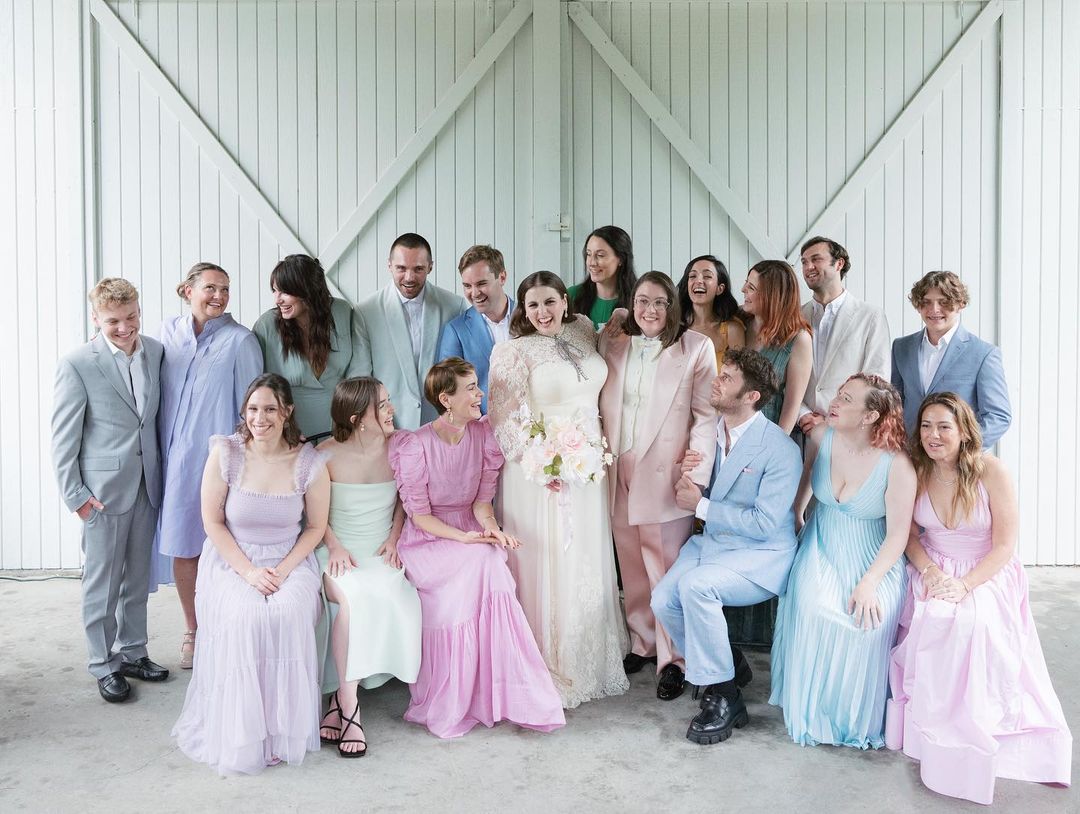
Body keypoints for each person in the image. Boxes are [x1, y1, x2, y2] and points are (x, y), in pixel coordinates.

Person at [885, 393, 1071, 805]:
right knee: (931, 617)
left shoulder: (991, 471)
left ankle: (978, 720)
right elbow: (911, 537)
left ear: (964, 430)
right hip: (932, 564)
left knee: (974, 622)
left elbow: (1005, 546)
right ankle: (932, 724)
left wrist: (966, 584)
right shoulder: (917, 469)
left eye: (944, 426)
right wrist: (932, 573)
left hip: (986, 569)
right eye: (927, 426)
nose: (933, 435)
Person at [388, 358, 565, 738]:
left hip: (468, 532)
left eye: (476, 386)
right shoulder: (415, 445)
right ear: (445, 399)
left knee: (491, 559)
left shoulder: (484, 437)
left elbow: (482, 506)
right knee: (480, 560)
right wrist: (466, 539)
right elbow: (419, 517)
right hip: (428, 541)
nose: (479, 393)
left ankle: (506, 692)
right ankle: (454, 698)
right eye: (470, 388)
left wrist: (492, 532)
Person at [173, 374, 330, 775]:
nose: (260, 418)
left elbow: (314, 528)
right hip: (232, 560)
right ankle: (246, 733)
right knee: (247, 617)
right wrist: (248, 572)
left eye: (270, 409)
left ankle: (280, 732)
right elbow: (212, 522)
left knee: (288, 612)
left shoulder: (308, 461)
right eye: (253, 409)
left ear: (287, 412)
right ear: (244, 411)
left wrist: (281, 570)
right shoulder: (226, 453)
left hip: (289, 559)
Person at [488, 271, 630, 708]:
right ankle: (546, 659)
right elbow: (503, 417)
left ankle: (587, 654)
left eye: (550, 302)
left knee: (585, 554)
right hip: (540, 473)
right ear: (523, 310)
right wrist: (540, 461)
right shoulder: (511, 351)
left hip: (588, 464)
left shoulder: (585, 329)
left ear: (564, 302)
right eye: (533, 305)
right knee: (549, 555)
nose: (543, 313)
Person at [651, 348, 801, 745]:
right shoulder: (708, 433)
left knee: (697, 587)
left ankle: (724, 695)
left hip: (761, 554)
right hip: (713, 544)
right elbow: (699, 486)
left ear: (752, 396)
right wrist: (689, 480)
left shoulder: (780, 448)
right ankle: (729, 661)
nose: (716, 382)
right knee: (663, 599)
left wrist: (699, 505)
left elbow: (764, 523)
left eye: (728, 378)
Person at [769, 374, 916, 748]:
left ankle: (852, 720)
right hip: (822, 542)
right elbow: (806, 476)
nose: (835, 401)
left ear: (869, 416)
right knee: (816, 608)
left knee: (867, 621)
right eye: (839, 394)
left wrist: (869, 583)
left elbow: (899, 535)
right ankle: (812, 712)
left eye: (847, 399)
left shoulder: (897, 465)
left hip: (873, 555)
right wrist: (798, 514)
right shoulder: (821, 437)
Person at [598, 271, 717, 700]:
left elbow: (706, 416)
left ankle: (675, 659)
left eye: (660, 302)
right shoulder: (612, 343)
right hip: (617, 467)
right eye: (642, 301)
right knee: (631, 565)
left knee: (665, 569)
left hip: (667, 471)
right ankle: (643, 642)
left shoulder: (696, 348)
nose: (650, 311)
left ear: (673, 306)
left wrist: (695, 476)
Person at [52, 278, 168, 703]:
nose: (125, 327)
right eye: (114, 321)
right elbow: (64, 438)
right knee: (101, 583)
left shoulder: (155, 352)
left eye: (132, 317)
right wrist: (77, 497)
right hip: (101, 492)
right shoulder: (78, 363)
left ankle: (133, 652)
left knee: (137, 578)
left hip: (146, 484)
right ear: (96, 318)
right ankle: (103, 664)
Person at [155, 262, 263, 669]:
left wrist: (248, 466)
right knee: (184, 547)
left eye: (225, 289)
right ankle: (192, 628)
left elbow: (252, 409)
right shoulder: (167, 335)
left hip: (221, 463)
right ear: (187, 290)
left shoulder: (241, 340)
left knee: (226, 547)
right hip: (176, 462)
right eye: (210, 288)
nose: (219, 296)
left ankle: (225, 629)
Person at [314, 377, 421, 757]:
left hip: (380, 550)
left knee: (393, 591)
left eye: (389, 400)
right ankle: (351, 708)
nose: (392, 409)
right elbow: (314, 516)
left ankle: (337, 705)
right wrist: (334, 546)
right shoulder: (325, 455)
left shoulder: (399, 447)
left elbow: (404, 502)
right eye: (384, 404)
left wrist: (394, 538)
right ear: (359, 418)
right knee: (354, 598)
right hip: (337, 551)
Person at [354, 233, 468, 429]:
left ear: (430, 266)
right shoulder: (365, 312)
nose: (409, 277)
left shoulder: (454, 306)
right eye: (401, 268)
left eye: (418, 269)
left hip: (442, 427)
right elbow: (361, 377)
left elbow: (462, 372)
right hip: (388, 427)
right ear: (389, 265)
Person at [891, 271, 1011, 447]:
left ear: (960, 304)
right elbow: (896, 405)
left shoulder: (983, 353)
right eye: (926, 302)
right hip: (910, 458)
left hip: (957, 464)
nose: (934, 310)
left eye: (944, 302)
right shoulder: (901, 347)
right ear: (918, 305)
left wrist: (961, 451)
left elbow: (998, 417)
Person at [252, 254, 365, 438]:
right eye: (274, 291)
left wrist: (353, 415)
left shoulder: (343, 312)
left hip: (342, 425)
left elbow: (359, 368)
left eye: (285, 292)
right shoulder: (266, 326)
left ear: (308, 290)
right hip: (290, 431)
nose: (277, 300)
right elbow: (258, 387)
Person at [795, 237, 891, 434]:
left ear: (839, 263)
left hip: (848, 434)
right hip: (800, 432)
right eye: (804, 262)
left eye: (816, 259)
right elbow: (783, 376)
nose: (808, 267)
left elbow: (876, 381)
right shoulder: (794, 317)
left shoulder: (870, 316)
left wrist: (831, 421)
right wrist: (802, 414)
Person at [435, 244, 515, 413]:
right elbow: (448, 389)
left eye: (481, 284)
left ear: (502, 277)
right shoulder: (456, 330)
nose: (474, 293)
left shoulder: (531, 317)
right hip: (480, 430)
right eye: (467, 286)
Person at [741, 260, 813, 435]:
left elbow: (792, 406)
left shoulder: (799, 339)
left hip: (766, 434)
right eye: (746, 283)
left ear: (771, 295)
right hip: (727, 432)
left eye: (751, 287)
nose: (743, 289)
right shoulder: (738, 323)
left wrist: (775, 449)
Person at [677, 254, 745, 364]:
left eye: (707, 276)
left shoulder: (732, 330)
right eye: (692, 276)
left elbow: (738, 377)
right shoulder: (674, 328)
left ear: (720, 289)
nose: (698, 281)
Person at [567, 225, 637, 329]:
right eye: (588, 254)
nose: (592, 262)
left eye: (600, 255)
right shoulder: (572, 295)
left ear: (621, 259)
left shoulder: (639, 300)